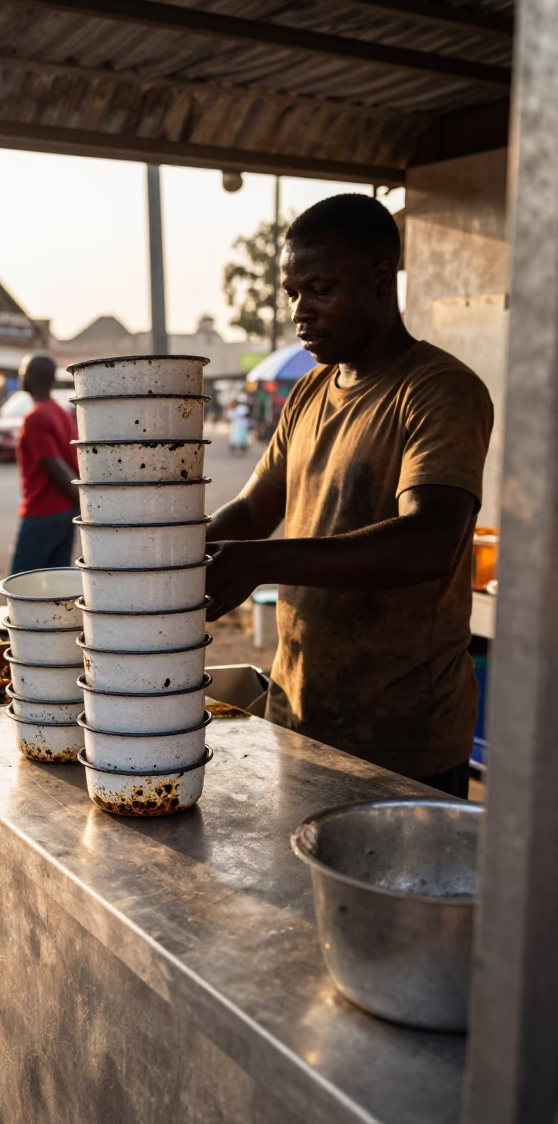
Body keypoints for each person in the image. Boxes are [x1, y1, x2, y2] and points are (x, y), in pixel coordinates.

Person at [206, 193, 493, 798]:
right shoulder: (308, 393)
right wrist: (156, 558)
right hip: (299, 715)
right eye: (292, 293)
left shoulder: (439, 391)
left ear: (382, 276)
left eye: (320, 288)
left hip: (403, 739)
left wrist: (259, 562)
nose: (300, 312)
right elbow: (254, 510)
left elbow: (428, 543)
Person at [9, 354, 78, 574]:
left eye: (22, 371)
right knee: (56, 587)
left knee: (21, 584)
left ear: (31, 377)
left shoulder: (36, 417)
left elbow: (56, 467)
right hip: (66, 512)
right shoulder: (61, 413)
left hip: (43, 513)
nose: (20, 376)